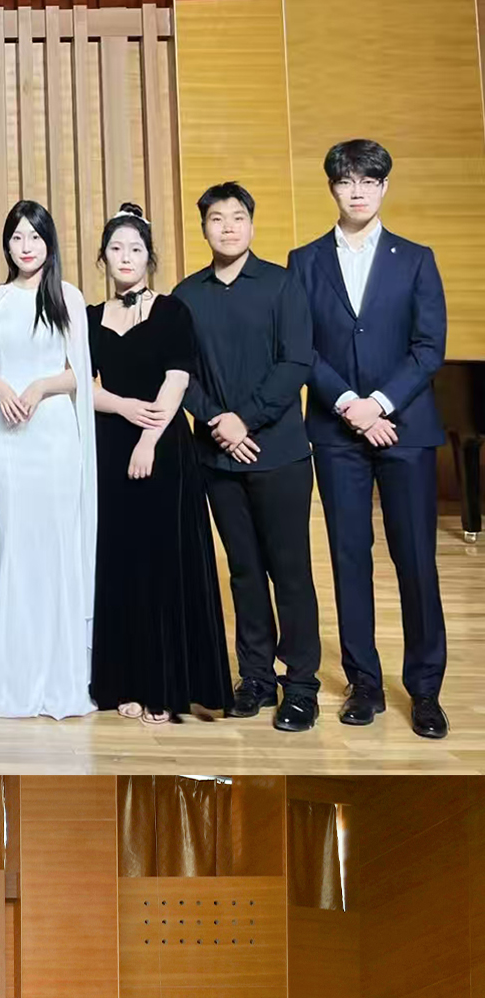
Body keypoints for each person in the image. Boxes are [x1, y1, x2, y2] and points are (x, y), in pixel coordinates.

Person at [290, 137, 450, 737]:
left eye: (368, 180)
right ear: (332, 187)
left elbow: (428, 347)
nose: (356, 191)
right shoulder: (304, 261)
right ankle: (365, 684)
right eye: (346, 180)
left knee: (416, 561)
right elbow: (301, 347)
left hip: (406, 430)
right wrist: (350, 407)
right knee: (349, 558)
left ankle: (425, 690)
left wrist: (379, 404)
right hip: (337, 433)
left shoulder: (417, 259)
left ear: (384, 187)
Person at [179, 183, 320, 730]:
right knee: (242, 571)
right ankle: (256, 677)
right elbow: (180, 373)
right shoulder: (187, 296)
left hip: (279, 455)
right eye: (217, 219)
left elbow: (296, 362)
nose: (229, 227)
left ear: (252, 225)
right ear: (204, 228)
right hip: (217, 458)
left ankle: (301, 685)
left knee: (290, 571)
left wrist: (246, 419)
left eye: (238, 217)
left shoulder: (282, 285)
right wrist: (218, 421)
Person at [88, 206, 231, 725]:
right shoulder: (89, 317)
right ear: (103, 257)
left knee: (160, 565)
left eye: (136, 249)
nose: (126, 258)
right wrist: (123, 407)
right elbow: (83, 387)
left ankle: (163, 689)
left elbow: (177, 380)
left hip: (163, 449)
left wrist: (147, 439)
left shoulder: (172, 312)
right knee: (119, 566)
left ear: (150, 258)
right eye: (116, 249)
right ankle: (123, 681)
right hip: (108, 449)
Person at [0, 201, 97, 720]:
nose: (26, 246)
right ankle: (14, 669)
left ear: (49, 243)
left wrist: (41, 386)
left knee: (56, 540)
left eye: (35, 237)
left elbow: (80, 372)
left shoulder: (68, 296)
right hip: (6, 431)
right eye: (17, 237)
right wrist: (1, 387)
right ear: (7, 244)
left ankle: (60, 671)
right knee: (16, 537)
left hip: (54, 431)